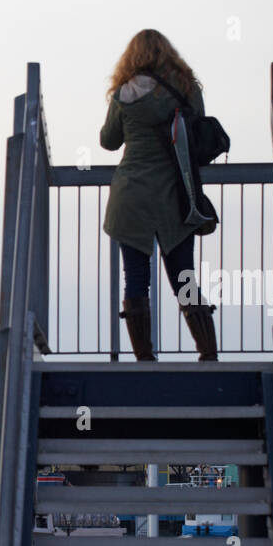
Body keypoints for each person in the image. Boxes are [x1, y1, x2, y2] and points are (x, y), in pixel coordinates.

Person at [100, 29, 219, 363]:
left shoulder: (124, 93)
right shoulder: (185, 89)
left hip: (131, 195)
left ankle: (144, 359)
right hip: (174, 194)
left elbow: (109, 141)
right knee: (184, 275)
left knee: (135, 278)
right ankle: (208, 353)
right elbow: (196, 131)